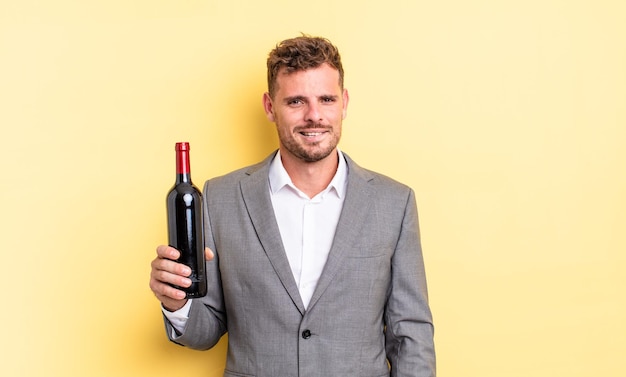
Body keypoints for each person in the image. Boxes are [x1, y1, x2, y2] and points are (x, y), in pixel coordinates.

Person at [150, 35, 436, 377]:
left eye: (326, 99)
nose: (314, 116)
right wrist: (177, 303)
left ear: (343, 103)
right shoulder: (220, 198)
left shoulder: (394, 202)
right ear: (270, 107)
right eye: (296, 101)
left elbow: (411, 335)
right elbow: (206, 330)